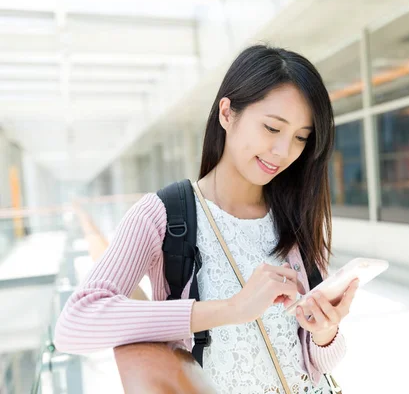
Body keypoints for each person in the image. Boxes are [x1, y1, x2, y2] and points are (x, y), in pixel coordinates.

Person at [54, 45, 358, 394]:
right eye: (273, 128)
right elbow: (74, 325)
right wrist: (230, 309)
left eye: (301, 138)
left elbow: (315, 366)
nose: (283, 151)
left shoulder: (295, 217)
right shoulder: (165, 215)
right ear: (227, 114)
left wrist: (324, 332)